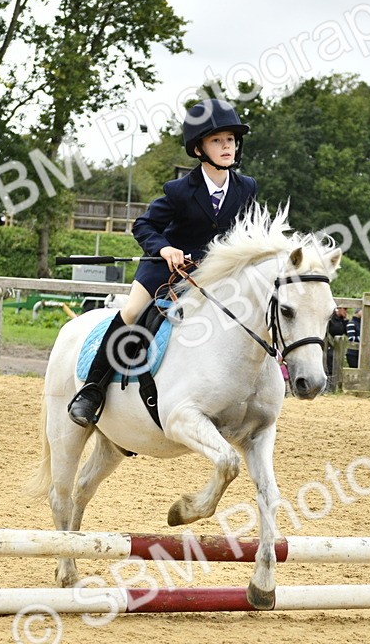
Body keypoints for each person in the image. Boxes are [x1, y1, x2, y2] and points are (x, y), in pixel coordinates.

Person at [67, 99, 258, 426]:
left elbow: (246, 234)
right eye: (217, 140)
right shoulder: (180, 189)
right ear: (199, 149)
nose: (227, 146)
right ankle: (92, 391)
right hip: (165, 270)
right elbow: (143, 225)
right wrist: (166, 249)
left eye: (230, 140)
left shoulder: (246, 188)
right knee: (130, 312)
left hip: (213, 276)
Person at [324, 305, 348, 377]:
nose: (346, 311)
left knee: (337, 360)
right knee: (329, 359)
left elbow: (346, 332)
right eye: (345, 309)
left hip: (337, 344)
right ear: (339, 309)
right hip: (328, 343)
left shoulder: (342, 320)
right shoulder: (331, 318)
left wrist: (346, 321)